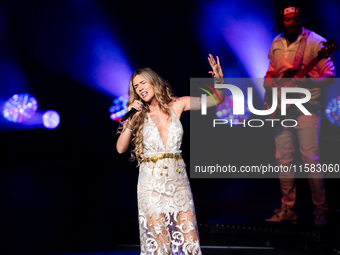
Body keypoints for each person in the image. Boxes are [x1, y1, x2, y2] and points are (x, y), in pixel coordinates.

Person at [116, 54, 224, 254]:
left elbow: (216, 100)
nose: (140, 88)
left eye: (143, 83)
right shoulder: (137, 115)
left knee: (189, 241)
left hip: (178, 181)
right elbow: (120, 148)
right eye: (136, 86)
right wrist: (130, 121)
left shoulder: (178, 104)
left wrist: (218, 79)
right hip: (151, 184)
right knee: (161, 244)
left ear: (153, 82)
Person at [264, 2, 335, 226]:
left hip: (307, 109)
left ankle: (321, 212)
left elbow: (330, 74)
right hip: (281, 108)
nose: (292, 22)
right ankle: (288, 209)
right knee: (283, 160)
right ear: (281, 21)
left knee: (311, 160)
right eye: (287, 19)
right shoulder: (276, 42)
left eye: (295, 18)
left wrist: (308, 82)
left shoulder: (316, 42)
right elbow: (272, 71)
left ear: (300, 19)